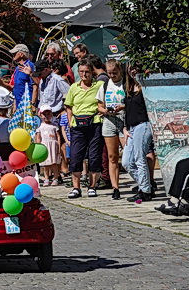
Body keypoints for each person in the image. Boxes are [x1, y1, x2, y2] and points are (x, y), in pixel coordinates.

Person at [63, 61, 105, 198]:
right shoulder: (74, 87)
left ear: (92, 72)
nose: (84, 74)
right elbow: (68, 105)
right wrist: (70, 122)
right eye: (81, 71)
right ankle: (76, 187)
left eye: (86, 71)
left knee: (94, 156)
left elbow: (104, 100)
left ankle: (92, 186)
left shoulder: (99, 85)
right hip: (78, 126)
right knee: (76, 156)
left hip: (94, 123)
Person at [119, 67, 155, 204]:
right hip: (131, 127)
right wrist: (124, 127)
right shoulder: (128, 87)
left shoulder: (145, 86)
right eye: (130, 68)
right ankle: (146, 186)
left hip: (143, 124)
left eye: (135, 68)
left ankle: (145, 191)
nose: (133, 71)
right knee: (127, 162)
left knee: (140, 158)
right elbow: (127, 110)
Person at [99, 59, 129, 200]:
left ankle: (142, 183)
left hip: (123, 121)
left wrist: (123, 106)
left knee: (129, 155)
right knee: (112, 157)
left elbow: (131, 102)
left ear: (120, 71)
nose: (112, 76)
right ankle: (115, 187)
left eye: (115, 73)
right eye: (110, 73)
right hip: (109, 121)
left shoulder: (125, 84)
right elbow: (99, 106)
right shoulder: (105, 85)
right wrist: (105, 110)